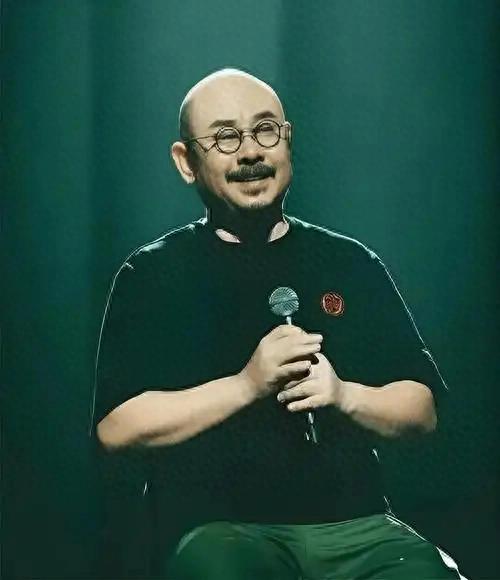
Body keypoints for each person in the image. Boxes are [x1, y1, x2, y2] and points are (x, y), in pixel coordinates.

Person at [90, 68, 466, 579]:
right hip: (221, 532)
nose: (250, 152)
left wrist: (344, 395)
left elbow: (422, 409)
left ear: (288, 141)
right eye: (225, 137)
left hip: (359, 528)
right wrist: (247, 385)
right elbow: (116, 429)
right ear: (186, 162)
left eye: (265, 130)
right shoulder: (152, 274)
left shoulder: (349, 262)